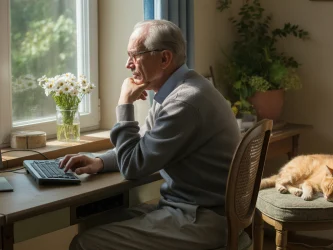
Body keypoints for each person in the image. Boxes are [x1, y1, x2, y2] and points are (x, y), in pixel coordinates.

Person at [61, 19, 241, 250]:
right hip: (191, 208)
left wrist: (124, 102)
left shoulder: (183, 102)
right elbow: (143, 147)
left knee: (84, 244)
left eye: (135, 55)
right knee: (93, 221)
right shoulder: (179, 89)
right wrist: (99, 161)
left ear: (165, 58)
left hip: (200, 218)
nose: (128, 64)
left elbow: (133, 166)